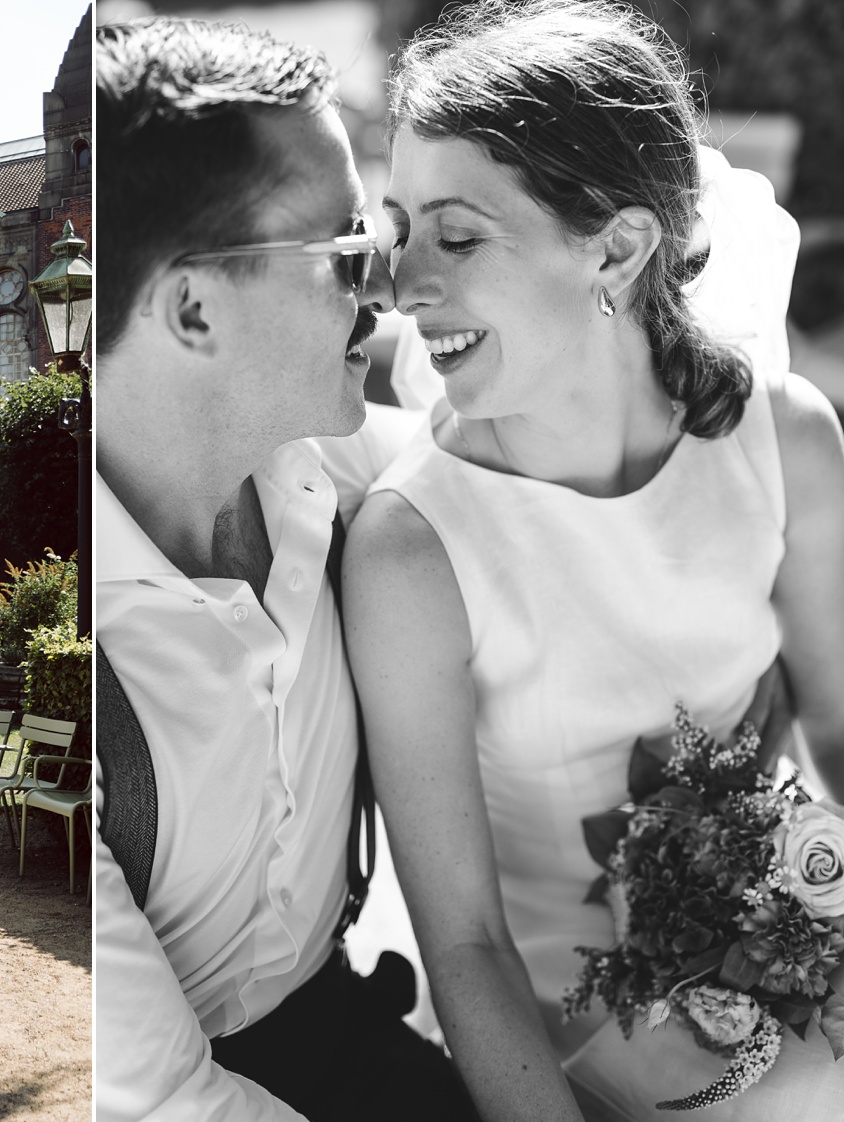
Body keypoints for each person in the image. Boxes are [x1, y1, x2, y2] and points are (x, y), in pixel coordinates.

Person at [343, 2, 844, 1119]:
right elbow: (466, 943)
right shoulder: (410, 550)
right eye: (399, 228)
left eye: (457, 236)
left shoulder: (787, 441)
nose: (400, 284)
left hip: (789, 968)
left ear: (616, 247)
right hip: (562, 1032)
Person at [94, 18, 477, 1121]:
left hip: (360, 1032)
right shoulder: (76, 654)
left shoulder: (347, 469)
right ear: (194, 309)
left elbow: (529, 473)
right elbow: (166, 1097)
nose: (389, 288)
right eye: (348, 255)